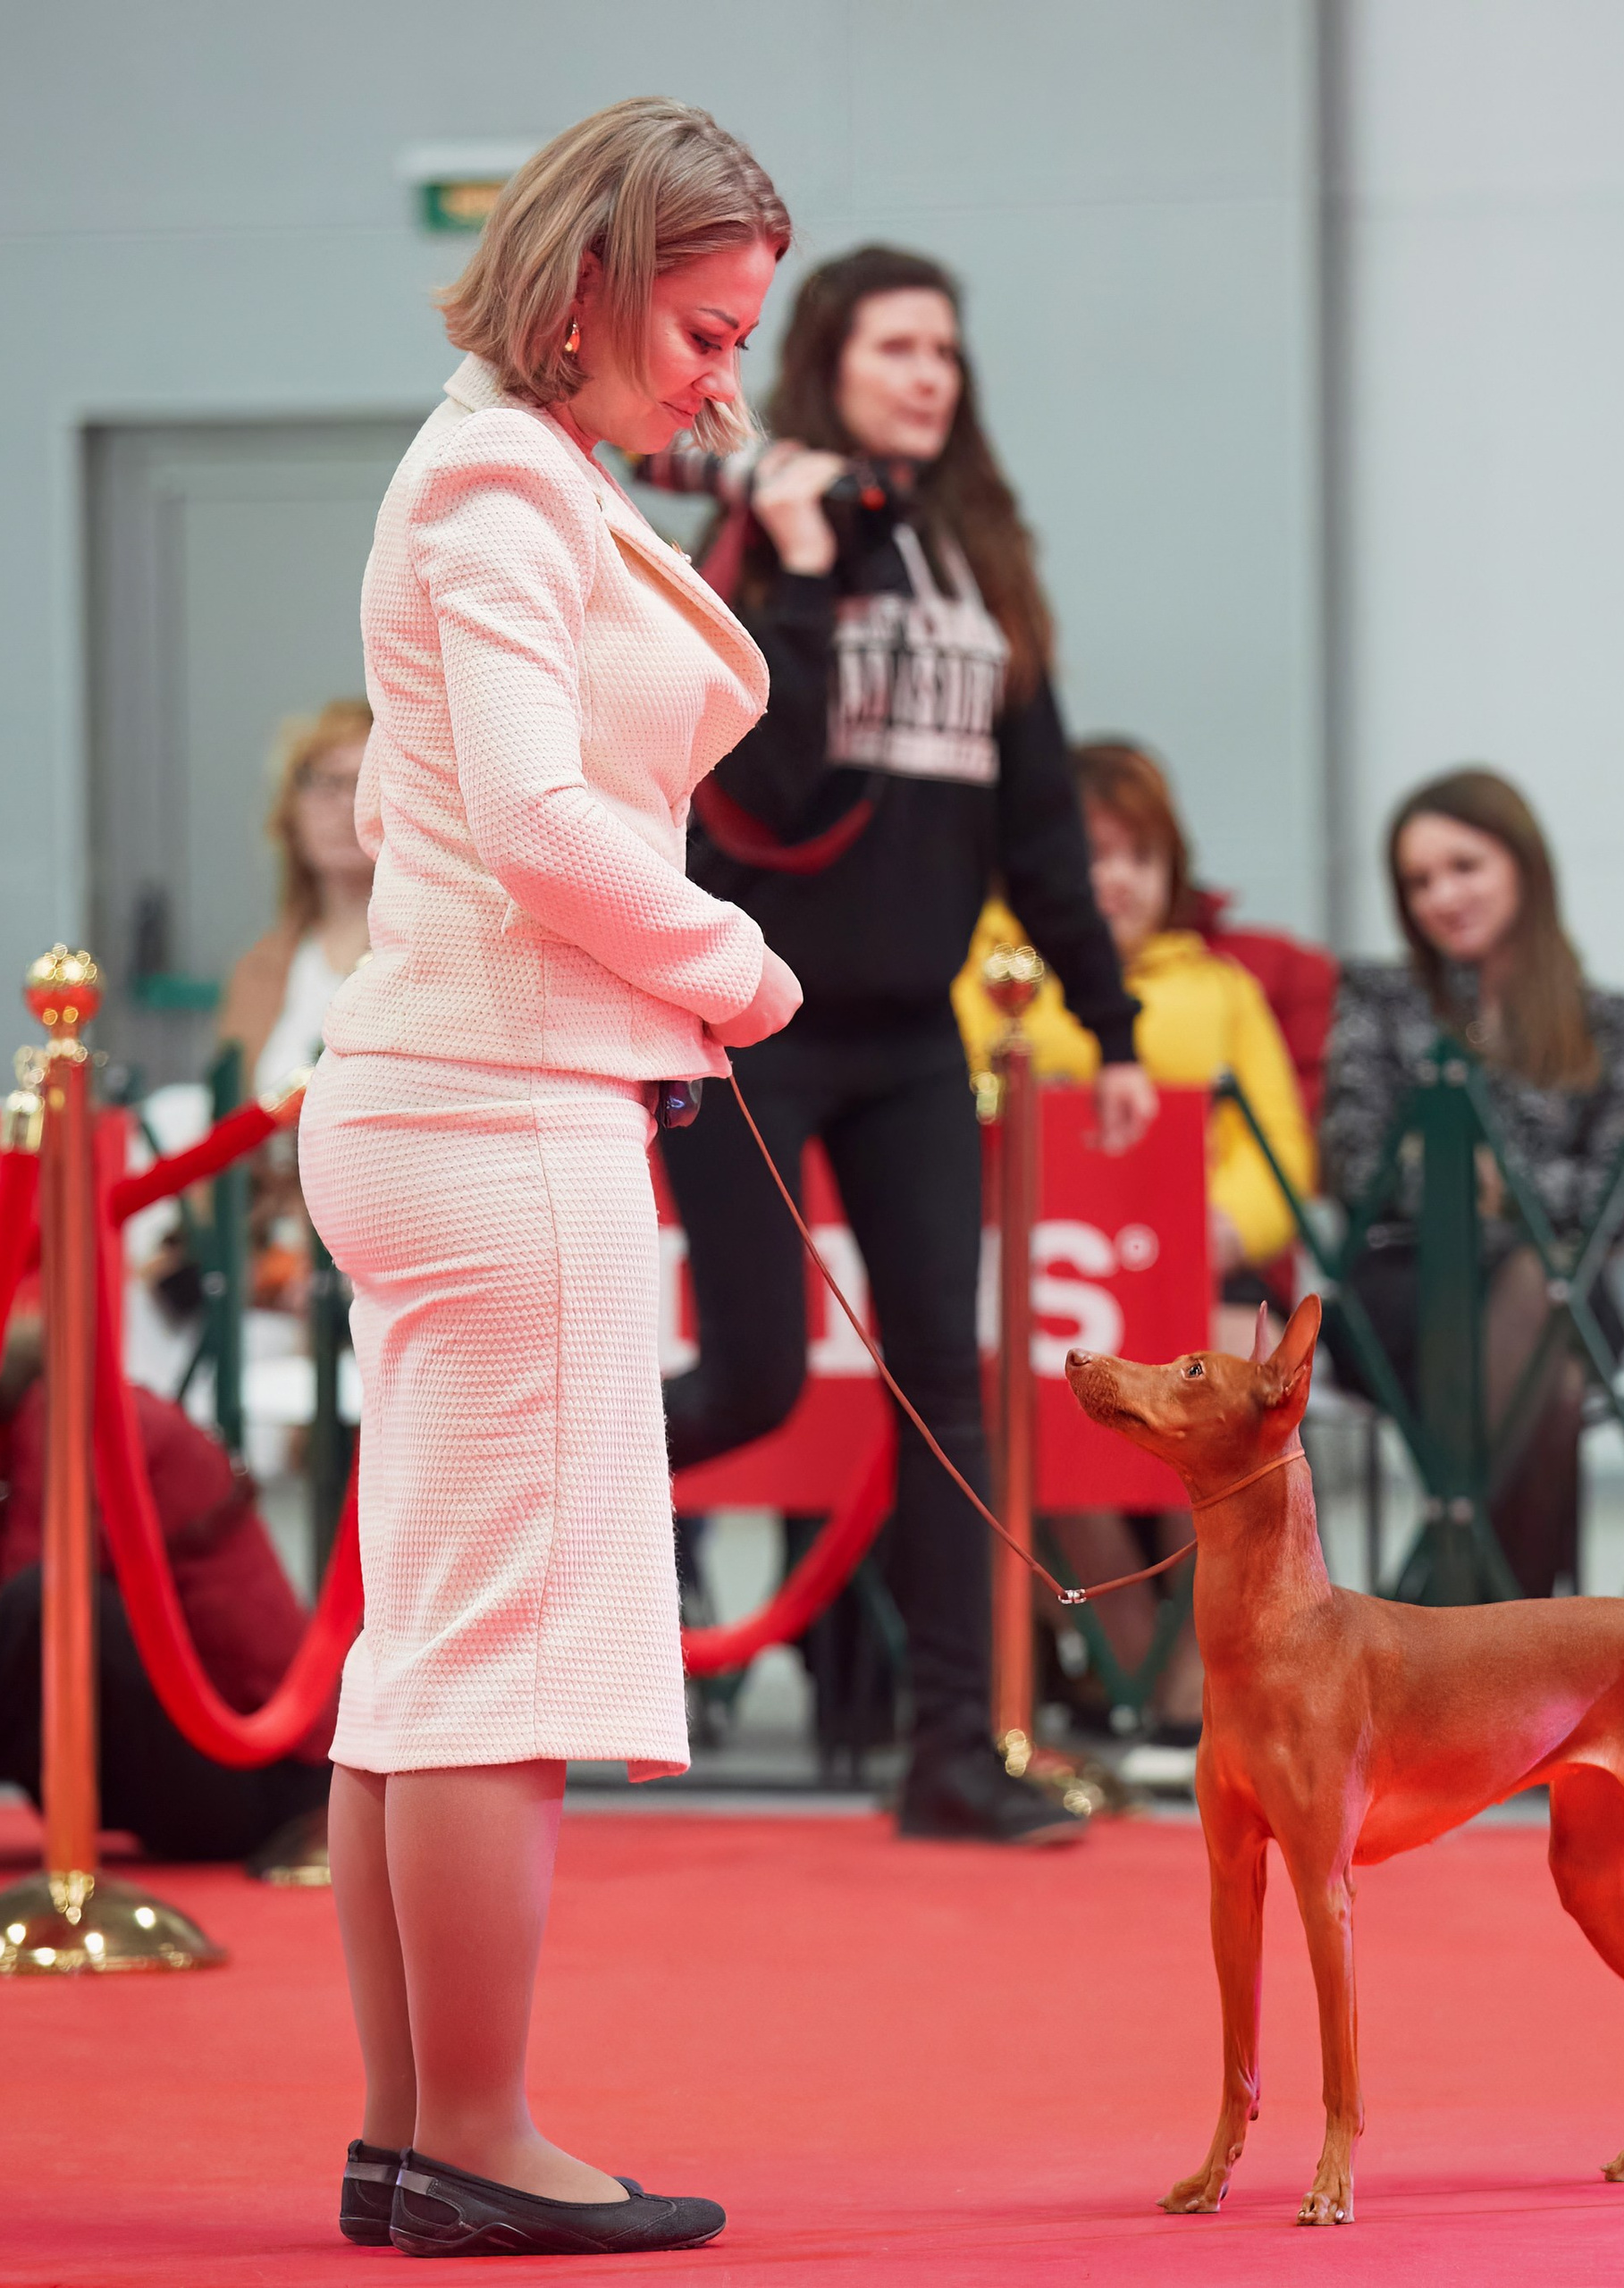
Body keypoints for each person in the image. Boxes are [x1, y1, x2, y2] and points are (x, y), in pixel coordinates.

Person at [296, 99, 798, 2256]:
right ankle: (478, 2135)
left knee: (425, 1658)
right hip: (502, 1109)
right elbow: (537, 822)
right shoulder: (502, 480)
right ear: (585, 290)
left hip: (447, 1093)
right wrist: (744, 968)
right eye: (699, 328)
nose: (720, 377)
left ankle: (419, 2134)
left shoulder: (502, 467)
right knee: (490, 1663)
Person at [647, 246, 1156, 1845]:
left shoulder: (981, 562)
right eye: (895, 347)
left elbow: (1043, 824)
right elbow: (766, 792)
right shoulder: (758, 536)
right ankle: (480, 1591)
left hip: (917, 1038)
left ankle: (953, 1750)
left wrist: (1110, 1015)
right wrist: (796, 569)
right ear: (829, 365)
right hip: (748, 1021)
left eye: (946, 348)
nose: (929, 373)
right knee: (736, 1383)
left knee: (948, 1386)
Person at [953, 739, 1317, 1735]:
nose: (1111, 879)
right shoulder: (988, 978)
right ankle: (1137, 1656)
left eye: (1136, 857)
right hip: (1052, 1291)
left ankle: (1233, 1651)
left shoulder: (1224, 990)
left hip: (1196, 1282)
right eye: (1085, 854)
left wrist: (1214, 1228)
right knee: (1052, 1386)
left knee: (1236, 1390)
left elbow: (1278, 1148)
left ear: (1172, 873)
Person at [1322, 769, 1624, 1600]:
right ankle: (1520, 1658)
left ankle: (1444, 1620)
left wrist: (1484, 1181)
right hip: (1405, 1290)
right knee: (1548, 1366)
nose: (1443, 895)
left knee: (1539, 1304)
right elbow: (1359, 1163)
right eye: (1419, 881)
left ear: (1523, 867)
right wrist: (1532, 1192)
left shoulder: (1609, 1020)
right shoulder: (1381, 999)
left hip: (1563, 1291)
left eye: (1464, 866)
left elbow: (1620, 1193)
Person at [0, 1325, 332, 1859]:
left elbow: (16, 1622)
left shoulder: (65, 1420)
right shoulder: (27, 1434)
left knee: (47, 1601)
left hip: (264, 1775)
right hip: (220, 1759)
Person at [219, 698, 376, 1095]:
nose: (347, 805)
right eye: (325, 783)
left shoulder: (435, 957)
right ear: (290, 811)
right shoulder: (260, 965)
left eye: (366, 782)